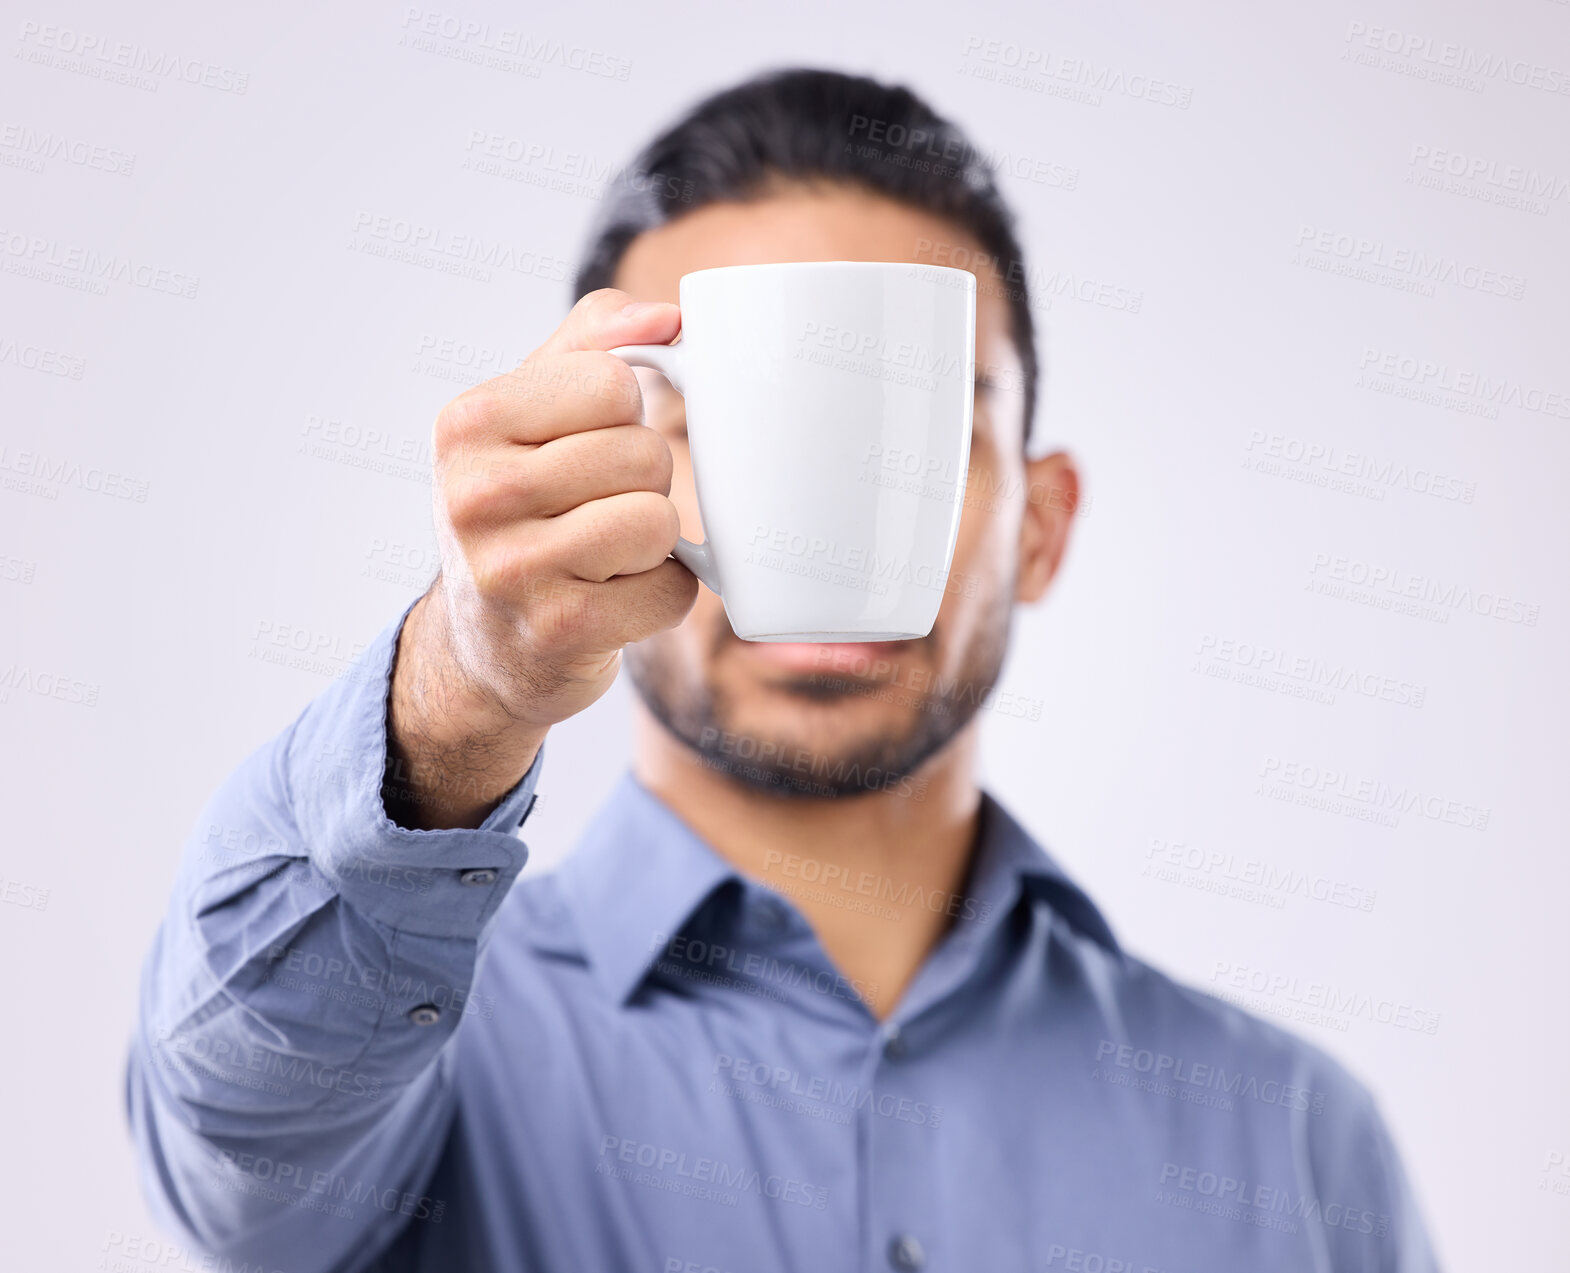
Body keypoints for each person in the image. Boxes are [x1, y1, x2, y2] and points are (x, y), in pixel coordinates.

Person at [126, 68, 1440, 1272]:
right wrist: (455, 695)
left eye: (920, 420)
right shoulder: (408, 1058)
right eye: (716, 421)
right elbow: (234, 1153)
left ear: (1036, 525)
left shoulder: (1295, 1147)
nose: (825, 505)